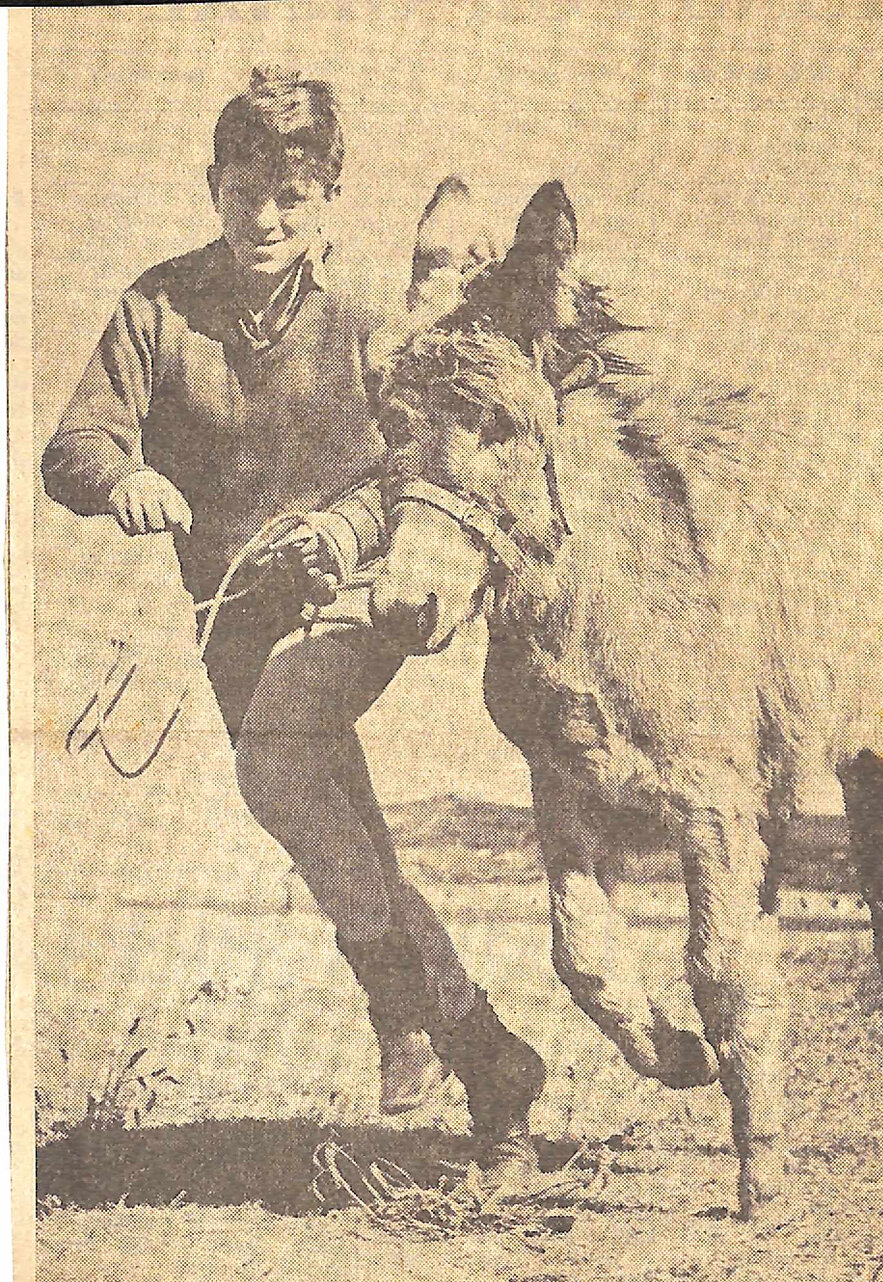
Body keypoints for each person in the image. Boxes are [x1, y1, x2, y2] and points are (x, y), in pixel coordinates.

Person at [42, 66, 545, 1170]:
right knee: (344, 843)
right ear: (211, 185)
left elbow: (421, 463)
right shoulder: (156, 307)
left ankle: (408, 1014)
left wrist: (351, 531)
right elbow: (71, 447)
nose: (263, 219)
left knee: (275, 767)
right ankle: (489, 1057)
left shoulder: (365, 314)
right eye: (242, 192)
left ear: (326, 201)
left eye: (291, 197)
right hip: (229, 625)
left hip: (349, 602)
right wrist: (121, 478)